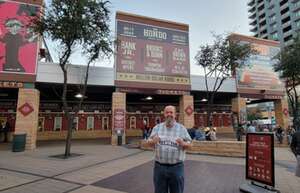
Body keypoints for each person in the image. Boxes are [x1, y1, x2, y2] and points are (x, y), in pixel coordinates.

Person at [147, 105, 192, 193]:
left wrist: (183, 143)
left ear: (175, 115)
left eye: (171, 112)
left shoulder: (181, 129)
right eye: (167, 112)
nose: (169, 114)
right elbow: (149, 143)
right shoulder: (157, 128)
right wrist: (153, 142)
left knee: (177, 191)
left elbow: (190, 145)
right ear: (164, 114)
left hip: (176, 168)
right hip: (159, 167)